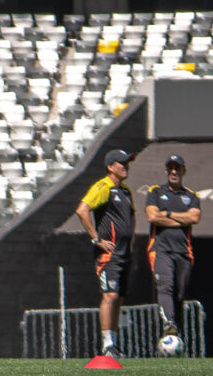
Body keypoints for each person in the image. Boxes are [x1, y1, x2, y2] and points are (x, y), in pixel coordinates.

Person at [74, 149, 134, 359]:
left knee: (118, 299)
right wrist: (96, 238)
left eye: (127, 162)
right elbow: (82, 210)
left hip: (124, 254)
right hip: (109, 255)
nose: (126, 166)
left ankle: (114, 345)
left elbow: (129, 222)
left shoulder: (126, 192)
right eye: (121, 163)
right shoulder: (103, 187)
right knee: (110, 295)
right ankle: (107, 344)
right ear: (110, 167)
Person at [144, 154, 200, 344]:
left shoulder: (191, 195)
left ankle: (177, 333)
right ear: (166, 171)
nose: (174, 172)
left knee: (179, 293)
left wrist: (167, 214)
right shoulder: (156, 191)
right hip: (160, 249)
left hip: (184, 251)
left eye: (177, 168)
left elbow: (194, 218)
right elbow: (152, 217)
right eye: (171, 168)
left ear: (183, 171)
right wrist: (179, 219)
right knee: (165, 285)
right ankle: (169, 324)